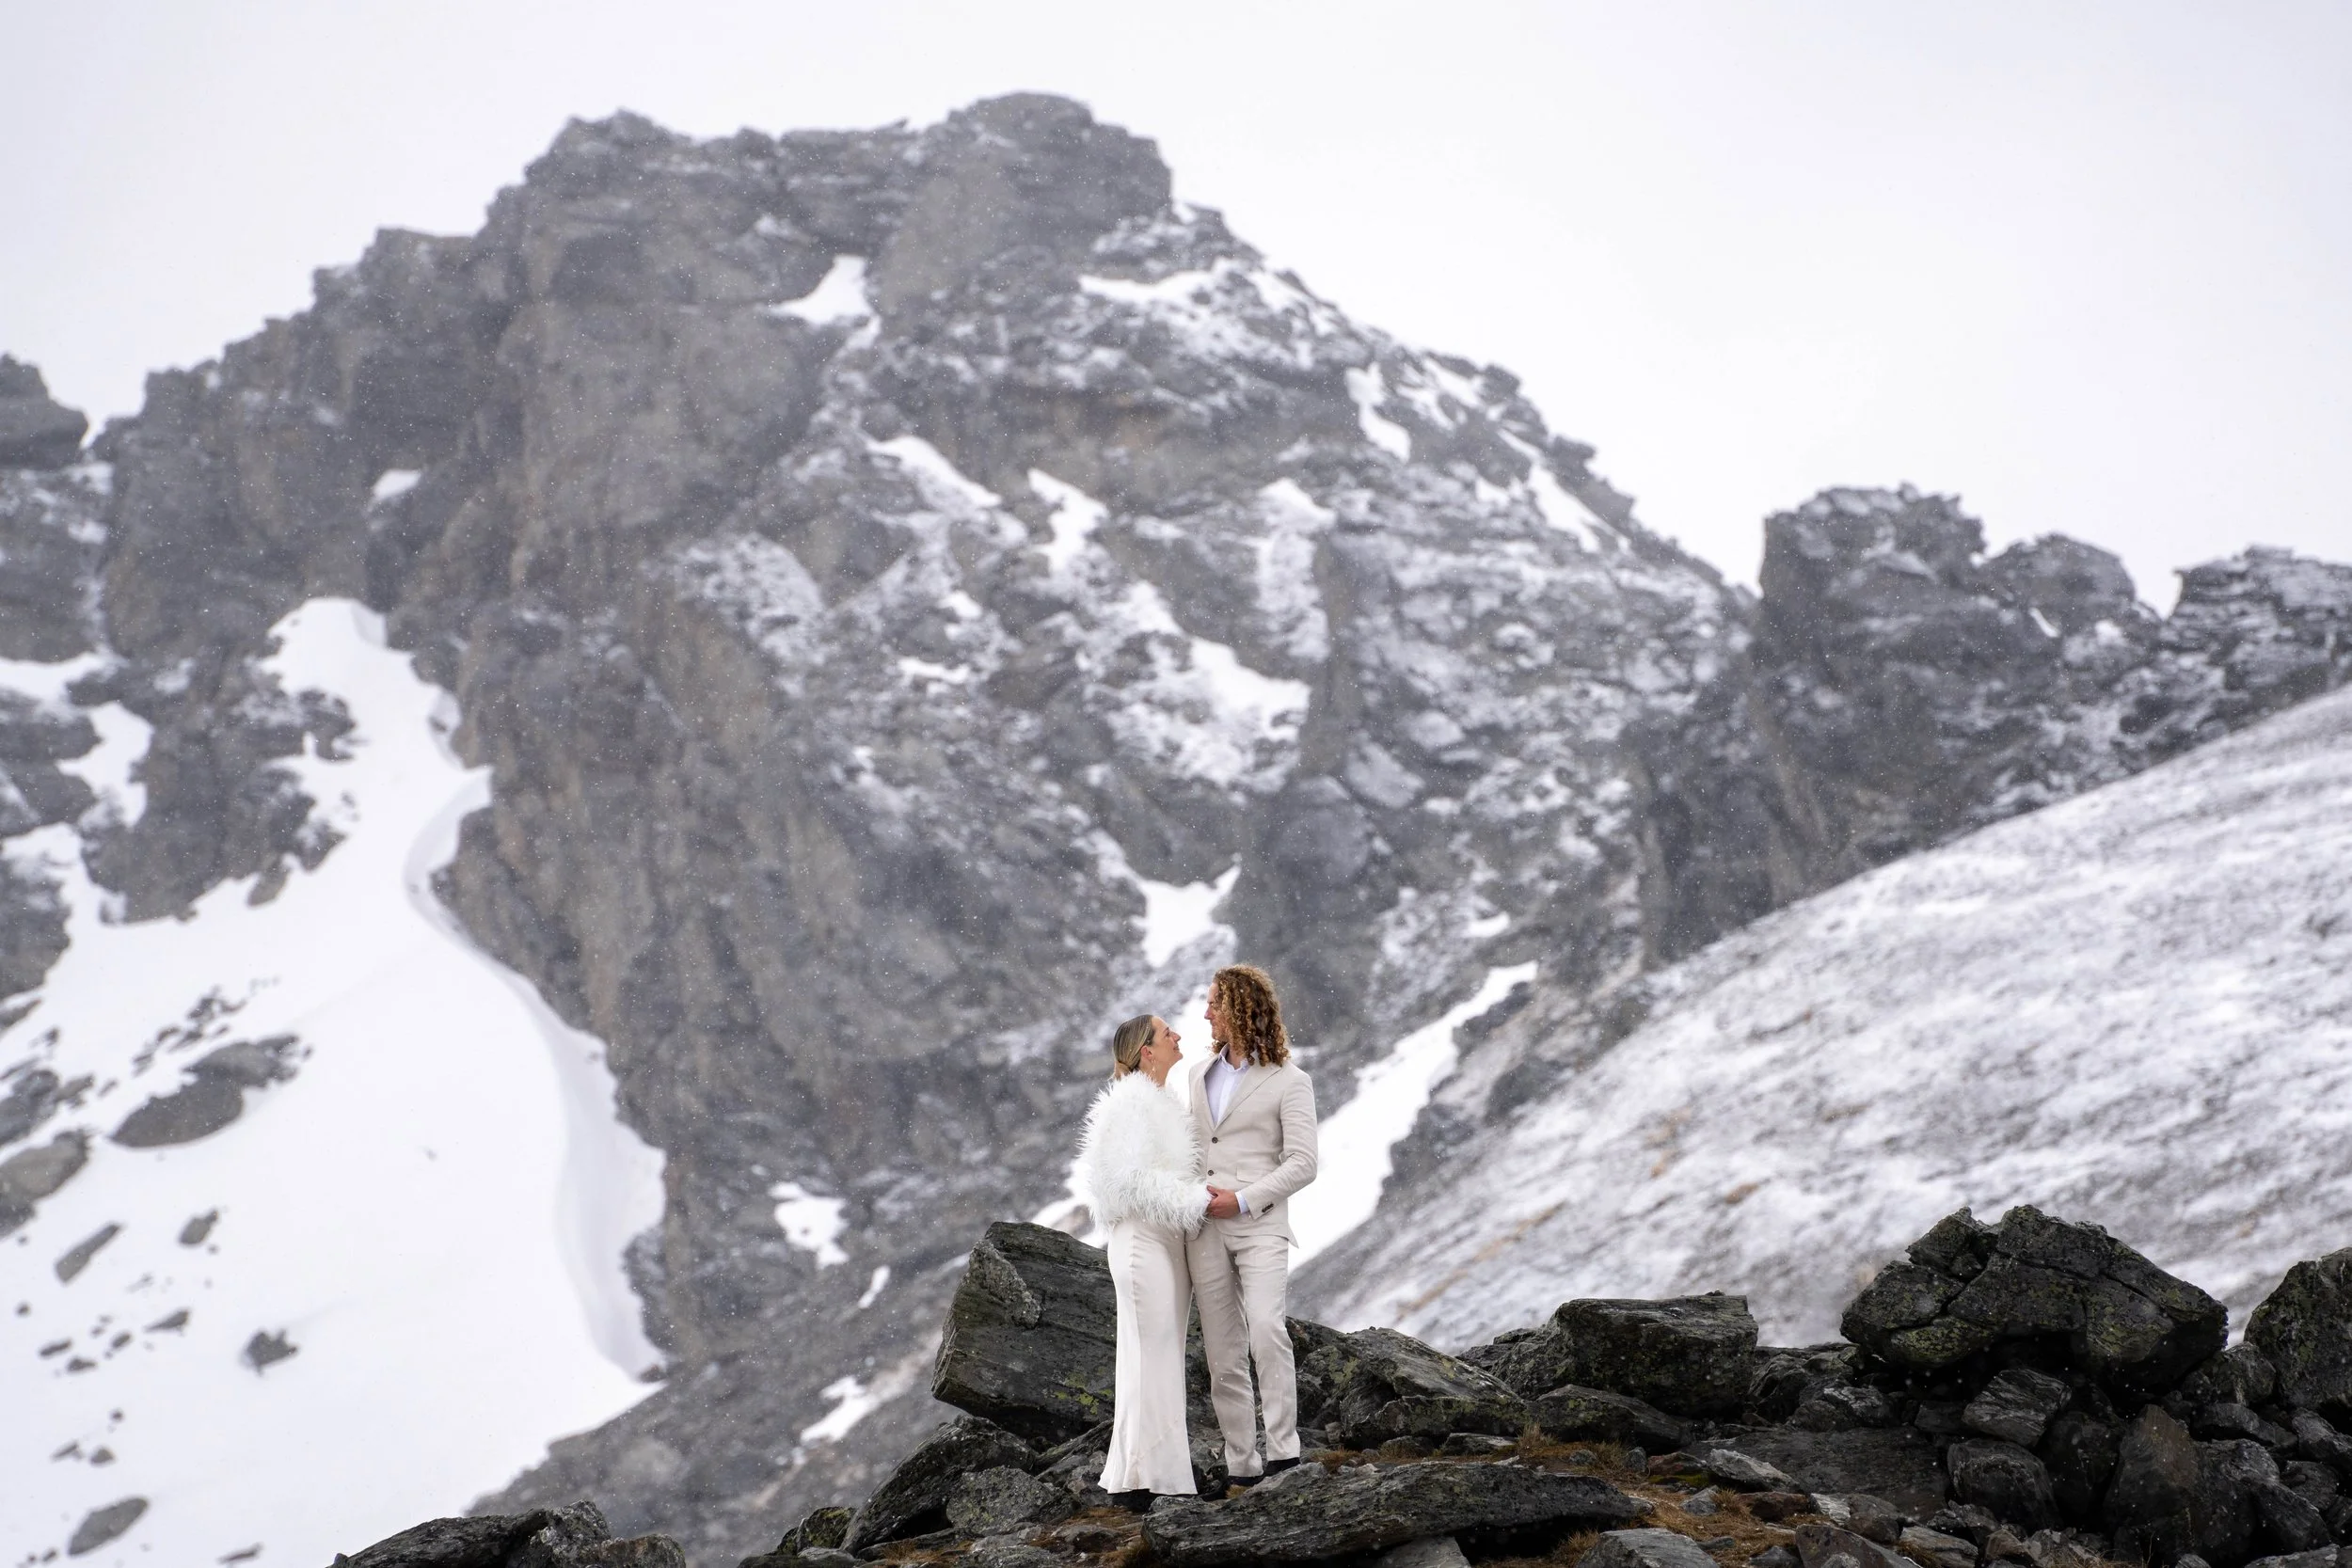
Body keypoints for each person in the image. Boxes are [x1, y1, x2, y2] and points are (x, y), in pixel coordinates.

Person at [1186, 964, 1319, 1486]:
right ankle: (1242, 1464)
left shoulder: (1291, 1080)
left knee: (1266, 1327)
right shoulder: (1198, 1074)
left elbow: (1303, 1162)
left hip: (1259, 1225)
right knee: (1222, 1352)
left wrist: (1241, 1199)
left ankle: (1286, 1451)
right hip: (1203, 1231)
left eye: (1214, 1004)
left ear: (1240, 1008)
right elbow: (1193, 1149)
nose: (1205, 1014)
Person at [1076, 1013, 1208, 1510]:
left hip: (1163, 1243)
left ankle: (1132, 1479)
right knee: (1151, 1359)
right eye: (1166, 1032)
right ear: (1146, 1051)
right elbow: (1130, 1180)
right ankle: (1161, 1481)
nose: (1177, 1035)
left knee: (1148, 1359)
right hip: (1142, 1242)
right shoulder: (1132, 1102)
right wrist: (1194, 1200)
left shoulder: (1159, 1101)